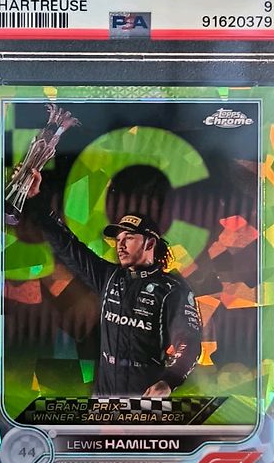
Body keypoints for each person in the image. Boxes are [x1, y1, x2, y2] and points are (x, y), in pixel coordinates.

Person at [24, 169, 202, 397]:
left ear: (150, 243)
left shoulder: (173, 290)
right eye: (118, 240)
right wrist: (36, 198)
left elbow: (189, 341)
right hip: (104, 396)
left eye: (129, 238)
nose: (120, 245)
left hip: (145, 397)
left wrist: (169, 381)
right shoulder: (109, 276)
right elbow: (67, 245)